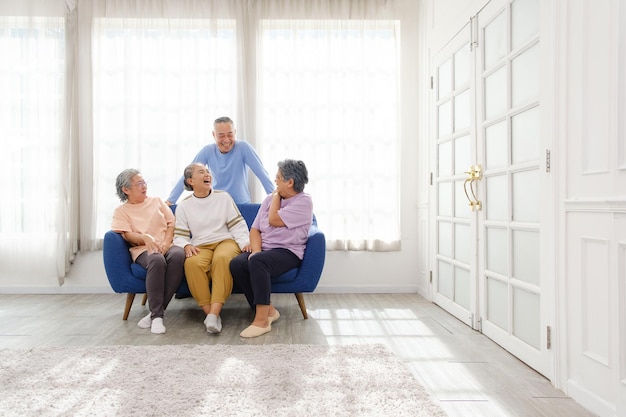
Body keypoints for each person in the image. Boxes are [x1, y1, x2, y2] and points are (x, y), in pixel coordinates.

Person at [230, 159, 313, 338]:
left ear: (289, 182)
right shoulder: (269, 199)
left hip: (288, 251)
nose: (275, 181)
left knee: (258, 262)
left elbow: (274, 220)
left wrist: (275, 197)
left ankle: (261, 321)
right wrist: (256, 250)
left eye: (278, 178)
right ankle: (269, 310)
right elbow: (255, 229)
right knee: (237, 264)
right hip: (265, 250)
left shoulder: (303, 202)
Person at [173, 163, 251, 334]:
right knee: (192, 264)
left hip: (225, 241)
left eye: (208, 172)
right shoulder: (184, 206)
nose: (207, 174)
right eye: (202, 172)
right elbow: (179, 235)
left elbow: (237, 225)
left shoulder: (223, 197)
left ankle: (214, 313)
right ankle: (211, 315)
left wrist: (245, 241)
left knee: (222, 259)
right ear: (190, 180)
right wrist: (185, 245)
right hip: (200, 245)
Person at [111, 169, 185, 334]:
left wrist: (166, 242)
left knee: (179, 255)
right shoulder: (121, 211)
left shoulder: (157, 201)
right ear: (126, 189)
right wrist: (145, 238)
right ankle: (158, 316)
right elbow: (127, 235)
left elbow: (171, 223)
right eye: (139, 183)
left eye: (144, 182)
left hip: (166, 245)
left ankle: (154, 313)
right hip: (143, 249)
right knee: (157, 260)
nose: (144, 186)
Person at [166, 116, 274, 205]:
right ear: (214, 135)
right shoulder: (208, 151)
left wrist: (275, 200)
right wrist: (170, 200)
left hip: (240, 205)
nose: (226, 140)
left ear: (235, 132)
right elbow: (188, 175)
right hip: (216, 205)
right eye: (221, 135)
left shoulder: (243, 148)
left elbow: (262, 174)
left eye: (230, 134)